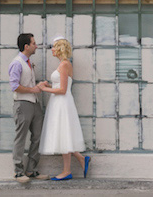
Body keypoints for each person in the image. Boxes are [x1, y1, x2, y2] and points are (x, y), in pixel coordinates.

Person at [37, 37, 91, 181]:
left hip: (62, 102)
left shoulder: (64, 65)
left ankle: (68, 170)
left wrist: (43, 89)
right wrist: (48, 86)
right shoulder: (63, 64)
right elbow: (59, 86)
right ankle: (79, 160)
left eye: (54, 47)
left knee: (64, 134)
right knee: (63, 135)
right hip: (58, 102)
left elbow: (62, 90)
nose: (52, 50)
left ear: (60, 49)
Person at [8, 33, 49, 183]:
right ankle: (18, 172)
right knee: (21, 138)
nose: (36, 46)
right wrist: (33, 90)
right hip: (23, 104)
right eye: (34, 43)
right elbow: (14, 86)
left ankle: (31, 170)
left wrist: (38, 86)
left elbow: (28, 83)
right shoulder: (17, 63)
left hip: (34, 103)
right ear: (26, 46)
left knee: (37, 136)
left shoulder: (28, 62)